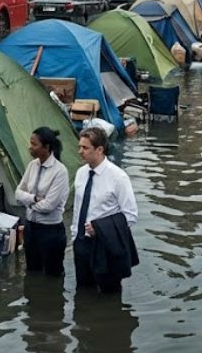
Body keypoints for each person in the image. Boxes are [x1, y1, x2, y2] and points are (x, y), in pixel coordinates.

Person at [71, 126, 138, 294]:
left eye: (85, 148)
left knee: (109, 292)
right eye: (79, 146)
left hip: (105, 245)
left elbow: (130, 215)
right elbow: (78, 208)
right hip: (81, 243)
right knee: (83, 291)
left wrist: (100, 228)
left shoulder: (118, 177)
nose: (80, 151)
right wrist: (75, 236)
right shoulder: (80, 173)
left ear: (100, 149)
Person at [14, 127, 69, 277]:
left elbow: (48, 206)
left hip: (50, 231)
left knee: (53, 274)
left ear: (47, 147)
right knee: (32, 271)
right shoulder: (32, 165)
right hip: (31, 227)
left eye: (34, 144)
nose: (30, 147)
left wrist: (28, 202)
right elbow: (18, 193)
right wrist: (33, 199)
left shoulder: (60, 171)